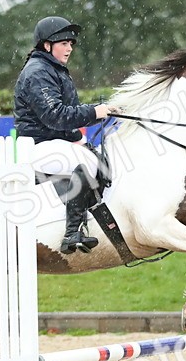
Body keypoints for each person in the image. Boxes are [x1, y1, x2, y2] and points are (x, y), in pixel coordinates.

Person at [14, 16, 118, 254]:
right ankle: (72, 232)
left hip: (53, 142)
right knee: (87, 162)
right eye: (63, 43)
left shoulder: (53, 69)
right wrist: (94, 112)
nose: (70, 47)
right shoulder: (38, 72)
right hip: (38, 147)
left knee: (101, 156)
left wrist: (83, 131)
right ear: (46, 45)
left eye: (71, 43)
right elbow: (55, 115)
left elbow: (63, 119)